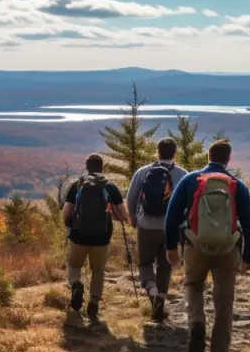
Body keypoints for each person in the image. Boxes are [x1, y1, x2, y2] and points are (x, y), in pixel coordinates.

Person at [165, 141, 250, 352]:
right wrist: (247, 256)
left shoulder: (190, 181)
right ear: (228, 159)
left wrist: (171, 247)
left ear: (208, 156)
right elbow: (248, 223)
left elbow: (172, 215)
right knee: (224, 304)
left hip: (196, 246)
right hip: (228, 249)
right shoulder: (237, 185)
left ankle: (196, 322)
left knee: (193, 286)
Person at [126, 137, 188, 322]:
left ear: (157, 151)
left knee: (144, 263)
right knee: (165, 265)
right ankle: (160, 298)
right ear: (174, 152)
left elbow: (131, 198)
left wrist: (134, 218)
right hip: (171, 227)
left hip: (146, 226)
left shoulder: (143, 172)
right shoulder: (183, 174)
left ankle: (152, 292)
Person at [62, 154, 130, 320]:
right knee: (98, 271)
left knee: (73, 265)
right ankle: (93, 302)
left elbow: (67, 211)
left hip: (78, 235)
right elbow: (123, 214)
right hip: (101, 237)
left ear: (87, 167)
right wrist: (119, 218)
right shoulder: (109, 187)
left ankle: (76, 285)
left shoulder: (77, 185)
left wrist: (70, 225)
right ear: (102, 167)